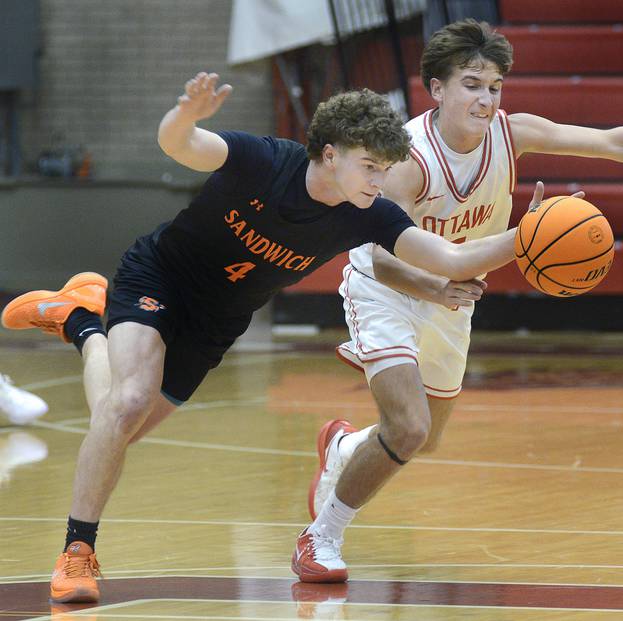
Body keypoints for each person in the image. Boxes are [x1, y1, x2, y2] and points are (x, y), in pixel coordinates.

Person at [1, 71, 545, 603]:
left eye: (386, 169)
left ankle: (81, 322)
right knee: (127, 404)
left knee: (118, 427)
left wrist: (525, 235)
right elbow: (181, 145)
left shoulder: (366, 215)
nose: (380, 182)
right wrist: (186, 114)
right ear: (330, 154)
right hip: (163, 278)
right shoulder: (265, 160)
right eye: (370, 167)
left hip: (219, 320)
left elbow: (451, 257)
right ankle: (78, 551)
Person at [299, 18, 623, 583]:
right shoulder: (408, 159)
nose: (486, 99)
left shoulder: (512, 132)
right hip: (389, 286)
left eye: (495, 86)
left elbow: (615, 143)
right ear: (436, 88)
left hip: (453, 296)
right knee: (406, 428)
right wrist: (434, 285)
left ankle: (344, 447)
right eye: (472, 84)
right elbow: (377, 253)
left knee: (423, 439)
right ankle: (321, 537)